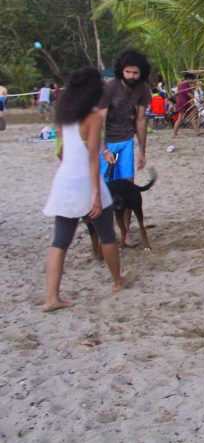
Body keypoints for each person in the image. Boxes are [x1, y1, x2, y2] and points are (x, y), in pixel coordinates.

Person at [42, 67, 128, 311]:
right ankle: (117, 281)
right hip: (86, 183)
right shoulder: (93, 117)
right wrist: (95, 194)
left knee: (59, 243)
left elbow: (60, 152)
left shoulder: (63, 116)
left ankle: (51, 297)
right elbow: (93, 158)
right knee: (107, 235)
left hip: (64, 183)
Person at [99, 49, 152, 185]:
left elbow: (140, 120)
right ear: (121, 71)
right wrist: (104, 150)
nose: (131, 76)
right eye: (128, 72)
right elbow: (100, 122)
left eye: (135, 73)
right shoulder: (109, 88)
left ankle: (127, 208)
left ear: (141, 73)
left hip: (127, 140)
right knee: (108, 184)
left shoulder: (143, 89)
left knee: (128, 184)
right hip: (107, 141)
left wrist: (142, 152)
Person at [172, 72, 199, 138]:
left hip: (184, 103)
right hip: (183, 103)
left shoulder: (181, 84)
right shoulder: (185, 85)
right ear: (189, 79)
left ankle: (197, 131)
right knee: (180, 118)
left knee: (191, 117)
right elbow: (191, 95)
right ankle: (174, 134)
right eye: (192, 79)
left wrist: (193, 85)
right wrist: (194, 86)